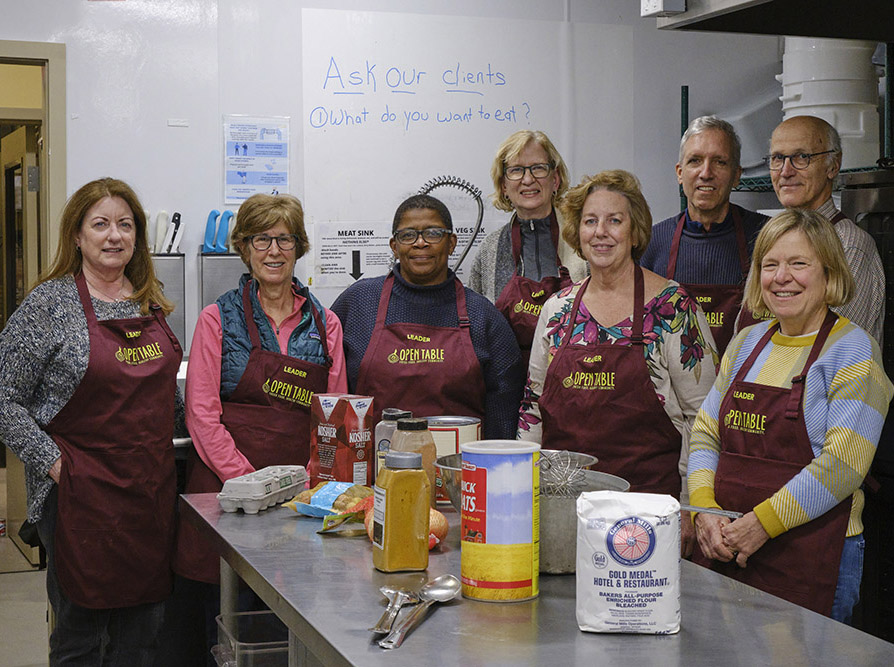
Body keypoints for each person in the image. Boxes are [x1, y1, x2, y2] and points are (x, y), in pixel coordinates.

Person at [0, 178, 184, 664]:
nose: (113, 236)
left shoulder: (151, 301)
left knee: (142, 635)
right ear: (77, 236)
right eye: (100, 224)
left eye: (125, 225)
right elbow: (4, 400)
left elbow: (166, 393)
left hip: (147, 493)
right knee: (80, 640)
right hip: (81, 497)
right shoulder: (49, 305)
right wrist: (56, 465)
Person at [688, 209, 893, 623]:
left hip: (811, 554)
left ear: (829, 273)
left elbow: (843, 466)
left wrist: (760, 524)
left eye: (799, 263)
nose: (782, 277)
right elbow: (706, 434)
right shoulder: (747, 342)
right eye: (770, 264)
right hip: (726, 546)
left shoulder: (854, 351)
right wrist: (703, 509)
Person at [518, 170, 718, 556]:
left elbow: (703, 418)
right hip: (565, 512)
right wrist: (523, 494)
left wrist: (692, 505)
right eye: (590, 221)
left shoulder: (673, 307)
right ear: (577, 232)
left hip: (649, 516)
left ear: (635, 230)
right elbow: (532, 410)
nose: (601, 232)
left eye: (615, 220)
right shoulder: (557, 311)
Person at [175, 192, 346, 583]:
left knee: (291, 606)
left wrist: (300, 483)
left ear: (298, 247)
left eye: (285, 239)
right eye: (261, 239)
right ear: (244, 248)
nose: (274, 251)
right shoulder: (216, 318)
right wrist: (249, 483)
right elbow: (201, 415)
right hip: (226, 490)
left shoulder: (326, 325)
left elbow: (334, 418)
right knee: (225, 613)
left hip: (299, 499)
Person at [332, 194, 524, 438]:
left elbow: (504, 410)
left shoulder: (483, 316)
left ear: (452, 242)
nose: (420, 243)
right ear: (394, 245)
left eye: (433, 233)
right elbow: (328, 391)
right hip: (371, 467)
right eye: (408, 235)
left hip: (460, 470)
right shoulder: (359, 303)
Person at [639, 116, 768, 356]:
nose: (706, 173)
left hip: (745, 385)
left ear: (736, 175)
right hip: (673, 390)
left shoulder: (768, 238)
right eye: (695, 161)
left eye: (719, 162)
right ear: (680, 173)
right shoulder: (652, 243)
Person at [468, 130, 588, 363]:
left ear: (556, 179)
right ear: (503, 185)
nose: (528, 179)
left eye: (538, 168)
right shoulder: (490, 249)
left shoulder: (583, 239)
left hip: (574, 374)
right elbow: (476, 326)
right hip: (507, 378)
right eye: (516, 170)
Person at [768, 114, 885, 345]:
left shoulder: (849, 246)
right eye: (778, 158)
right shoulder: (771, 241)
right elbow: (744, 340)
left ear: (833, 165)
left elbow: (831, 353)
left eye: (802, 157)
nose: (785, 171)